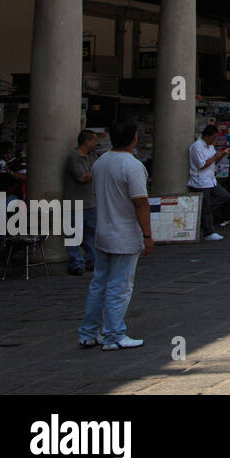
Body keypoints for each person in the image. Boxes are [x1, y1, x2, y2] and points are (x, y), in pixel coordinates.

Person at [77, 118, 152, 351]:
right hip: (124, 234)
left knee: (99, 283)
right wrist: (147, 235)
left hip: (103, 231)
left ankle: (89, 332)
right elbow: (141, 203)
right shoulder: (132, 165)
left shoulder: (101, 162)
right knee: (120, 286)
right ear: (134, 138)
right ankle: (113, 334)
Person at [64, 130, 99, 276]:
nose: (96, 144)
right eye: (94, 140)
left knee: (90, 234)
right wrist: (96, 173)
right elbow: (82, 177)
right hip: (74, 203)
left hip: (90, 202)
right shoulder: (74, 157)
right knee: (73, 234)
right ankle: (76, 262)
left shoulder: (93, 156)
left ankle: (92, 260)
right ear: (87, 141)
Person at [188, 124, 230, 241]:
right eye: (214, 137)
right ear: (207, 136)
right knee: (206, 206)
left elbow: (213, 163)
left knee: (224, 196)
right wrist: (215, 156)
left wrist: (221, 155)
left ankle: (203, 214)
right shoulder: (196, 147)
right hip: (201, 181)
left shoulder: (210, 147)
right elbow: (201, 165)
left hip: (211, 180)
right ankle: (208, 231)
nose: (214, 140)